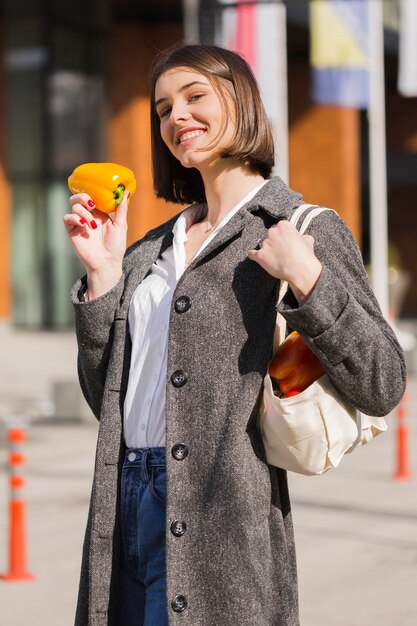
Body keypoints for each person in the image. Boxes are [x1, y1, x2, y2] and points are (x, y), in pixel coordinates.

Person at [64, 44, 406, 626]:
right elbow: (108, 403)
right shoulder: (150, 249)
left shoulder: (301, 228)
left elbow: (383, 382)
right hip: (123, 509)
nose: (177, 117)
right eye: (164, 108)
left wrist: (308, 277)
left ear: (241, 103)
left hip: (227, 514)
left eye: (196, 97)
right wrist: (103, 278)